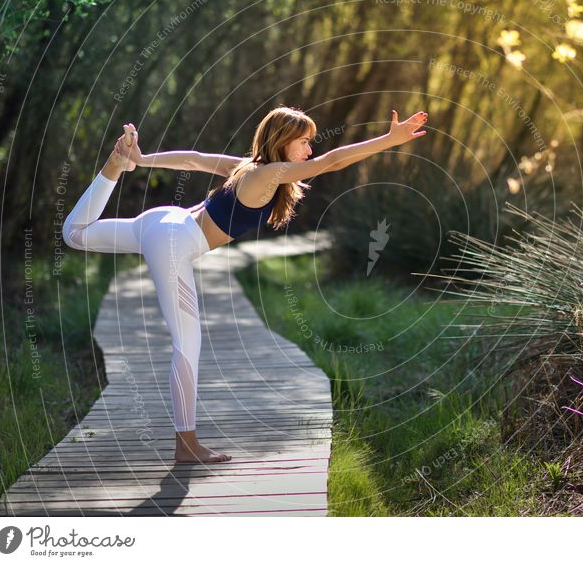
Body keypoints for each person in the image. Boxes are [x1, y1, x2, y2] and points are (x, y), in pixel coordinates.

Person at [63, 106, 428, 463]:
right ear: (282, 141)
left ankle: (115, 165)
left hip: (164, 222)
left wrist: (140, 160)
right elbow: (329, 162)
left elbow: (193, 159)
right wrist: (388, 140)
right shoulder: (266, 174)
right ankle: (186, 444)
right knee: (187, 345)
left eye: (310, 143)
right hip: (174, 239)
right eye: (304, 141)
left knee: (75, 234)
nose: (309, 150)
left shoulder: (247, 169)